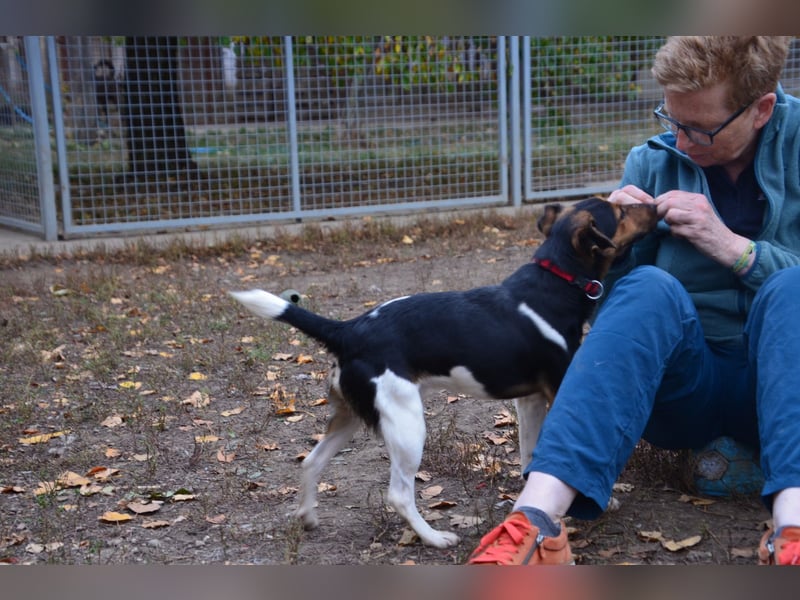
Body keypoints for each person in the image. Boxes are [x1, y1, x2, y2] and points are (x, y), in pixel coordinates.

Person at [467, 36, 800, 566]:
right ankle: (534, 523)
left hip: (786, 389)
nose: (680, 141)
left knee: (791, 288)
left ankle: (792, 530)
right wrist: (614, 250)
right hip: (684, 390)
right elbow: (606, 308)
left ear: (760, 109)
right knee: (648, 288)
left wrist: (737, 250)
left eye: (698, 129)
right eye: (671, 118)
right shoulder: (649, 162)